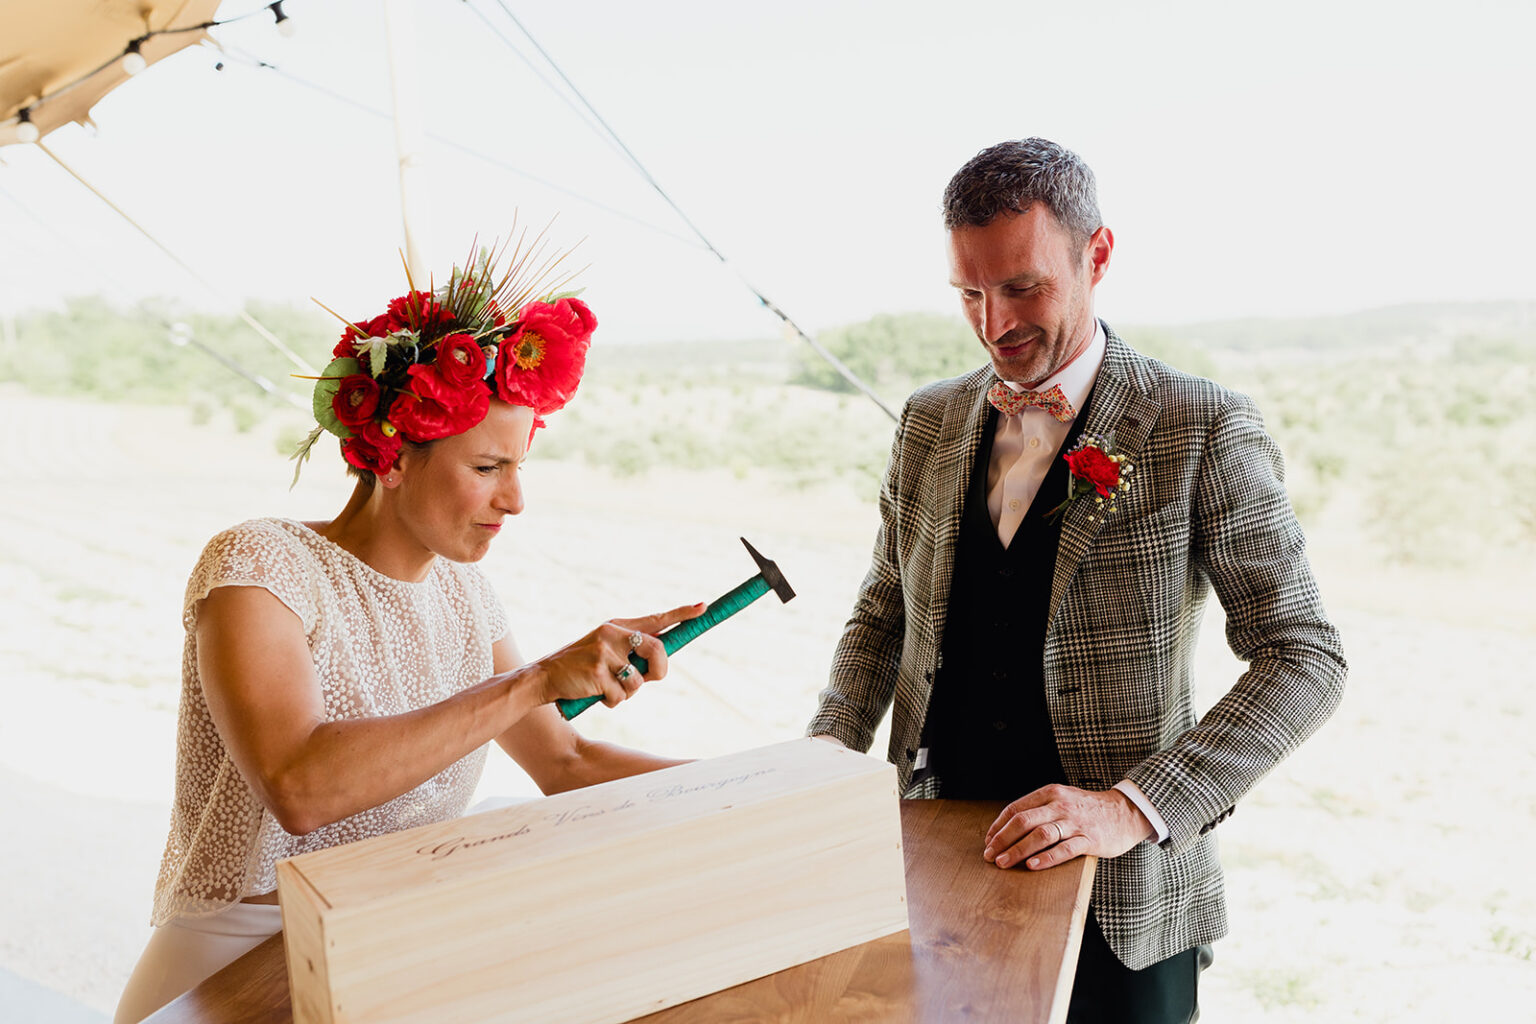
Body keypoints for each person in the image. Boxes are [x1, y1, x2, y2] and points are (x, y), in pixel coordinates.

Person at [806, 138, 1346, 1023]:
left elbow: (1306, 658)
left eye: (1022, 287)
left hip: (1125, 898)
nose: (994, 323)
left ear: (1096, 254)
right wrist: (829, 750)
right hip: (929, 859)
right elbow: (885, 609)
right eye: (969, 293)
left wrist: (1132, 809)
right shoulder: (930, 418)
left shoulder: (1200, 424)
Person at [114, 250, 702, 1024]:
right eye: (489, 466)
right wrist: (531, 682)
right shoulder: (259, 566)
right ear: (391, 455)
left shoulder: (467, 596)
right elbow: (301, 788)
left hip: (387, 942)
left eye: (520, 466)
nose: (516, 499)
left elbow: (567, 759)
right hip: (235, 962)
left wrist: (766, 783)